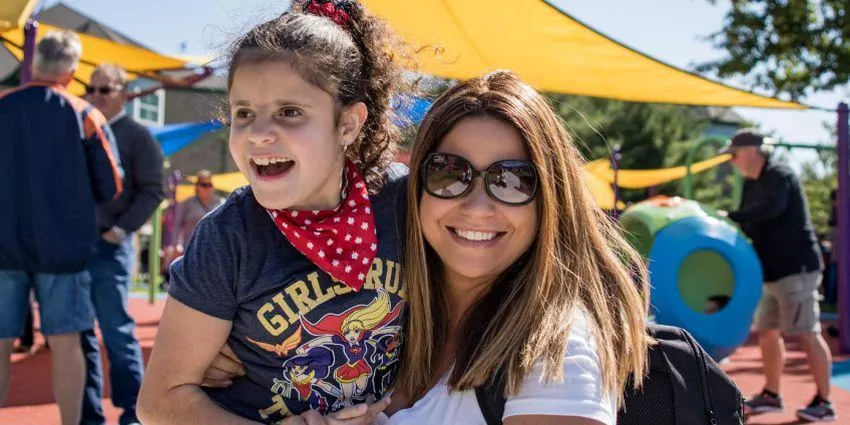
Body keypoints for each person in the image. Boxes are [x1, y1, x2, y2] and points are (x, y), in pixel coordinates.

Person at [137, 1, 413, 424]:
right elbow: (159, 402)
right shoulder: (228, 236)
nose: (259, 135)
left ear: (348, 124)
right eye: (244, 113)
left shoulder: (404, 202)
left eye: (290, 112)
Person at [380, 70, 650, 424]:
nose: (477, 207)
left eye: (511, 179)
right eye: (449, 172)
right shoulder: (380, 319)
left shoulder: (559, 353)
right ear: (417, 186)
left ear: (550, 200)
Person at [0, 30, 123, 425]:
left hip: (3, 246)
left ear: (33, 65)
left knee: (0, 343)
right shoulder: (86, 115)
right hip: (65, 248)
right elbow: (112, 185)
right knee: (67, 342)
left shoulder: (3, 107)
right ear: (71, 72)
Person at [720, 128, 836, 422]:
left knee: (806, 333)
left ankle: (825, 401)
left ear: (750, 152)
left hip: (795, 268)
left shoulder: (780, 175)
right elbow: (750, 222)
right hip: (769, 271)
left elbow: (771, 209)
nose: (731, 161)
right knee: (768, 332)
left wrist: (732, 217)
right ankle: (772, 394)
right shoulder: (750, 183)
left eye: (733, 155)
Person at [79, 63, 166, 425]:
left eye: (105, 89)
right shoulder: (79, 130)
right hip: (74, 249)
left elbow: (153, 190)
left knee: (116, 331)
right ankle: (88, 412)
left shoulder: (137, 136)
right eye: (91, 88)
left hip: (111, 248)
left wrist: (121, 230)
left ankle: (133, 413)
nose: (96, 95)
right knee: (79, 332)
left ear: (124, 94)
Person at [173, 170, 224, 248]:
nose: (207, 188)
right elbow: (177, 225)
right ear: (197, 187)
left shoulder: (221, 203)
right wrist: (176, 244)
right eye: (204, 185)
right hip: (191, 248)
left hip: (214, 249)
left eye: (210, 185)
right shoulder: (188, 203)